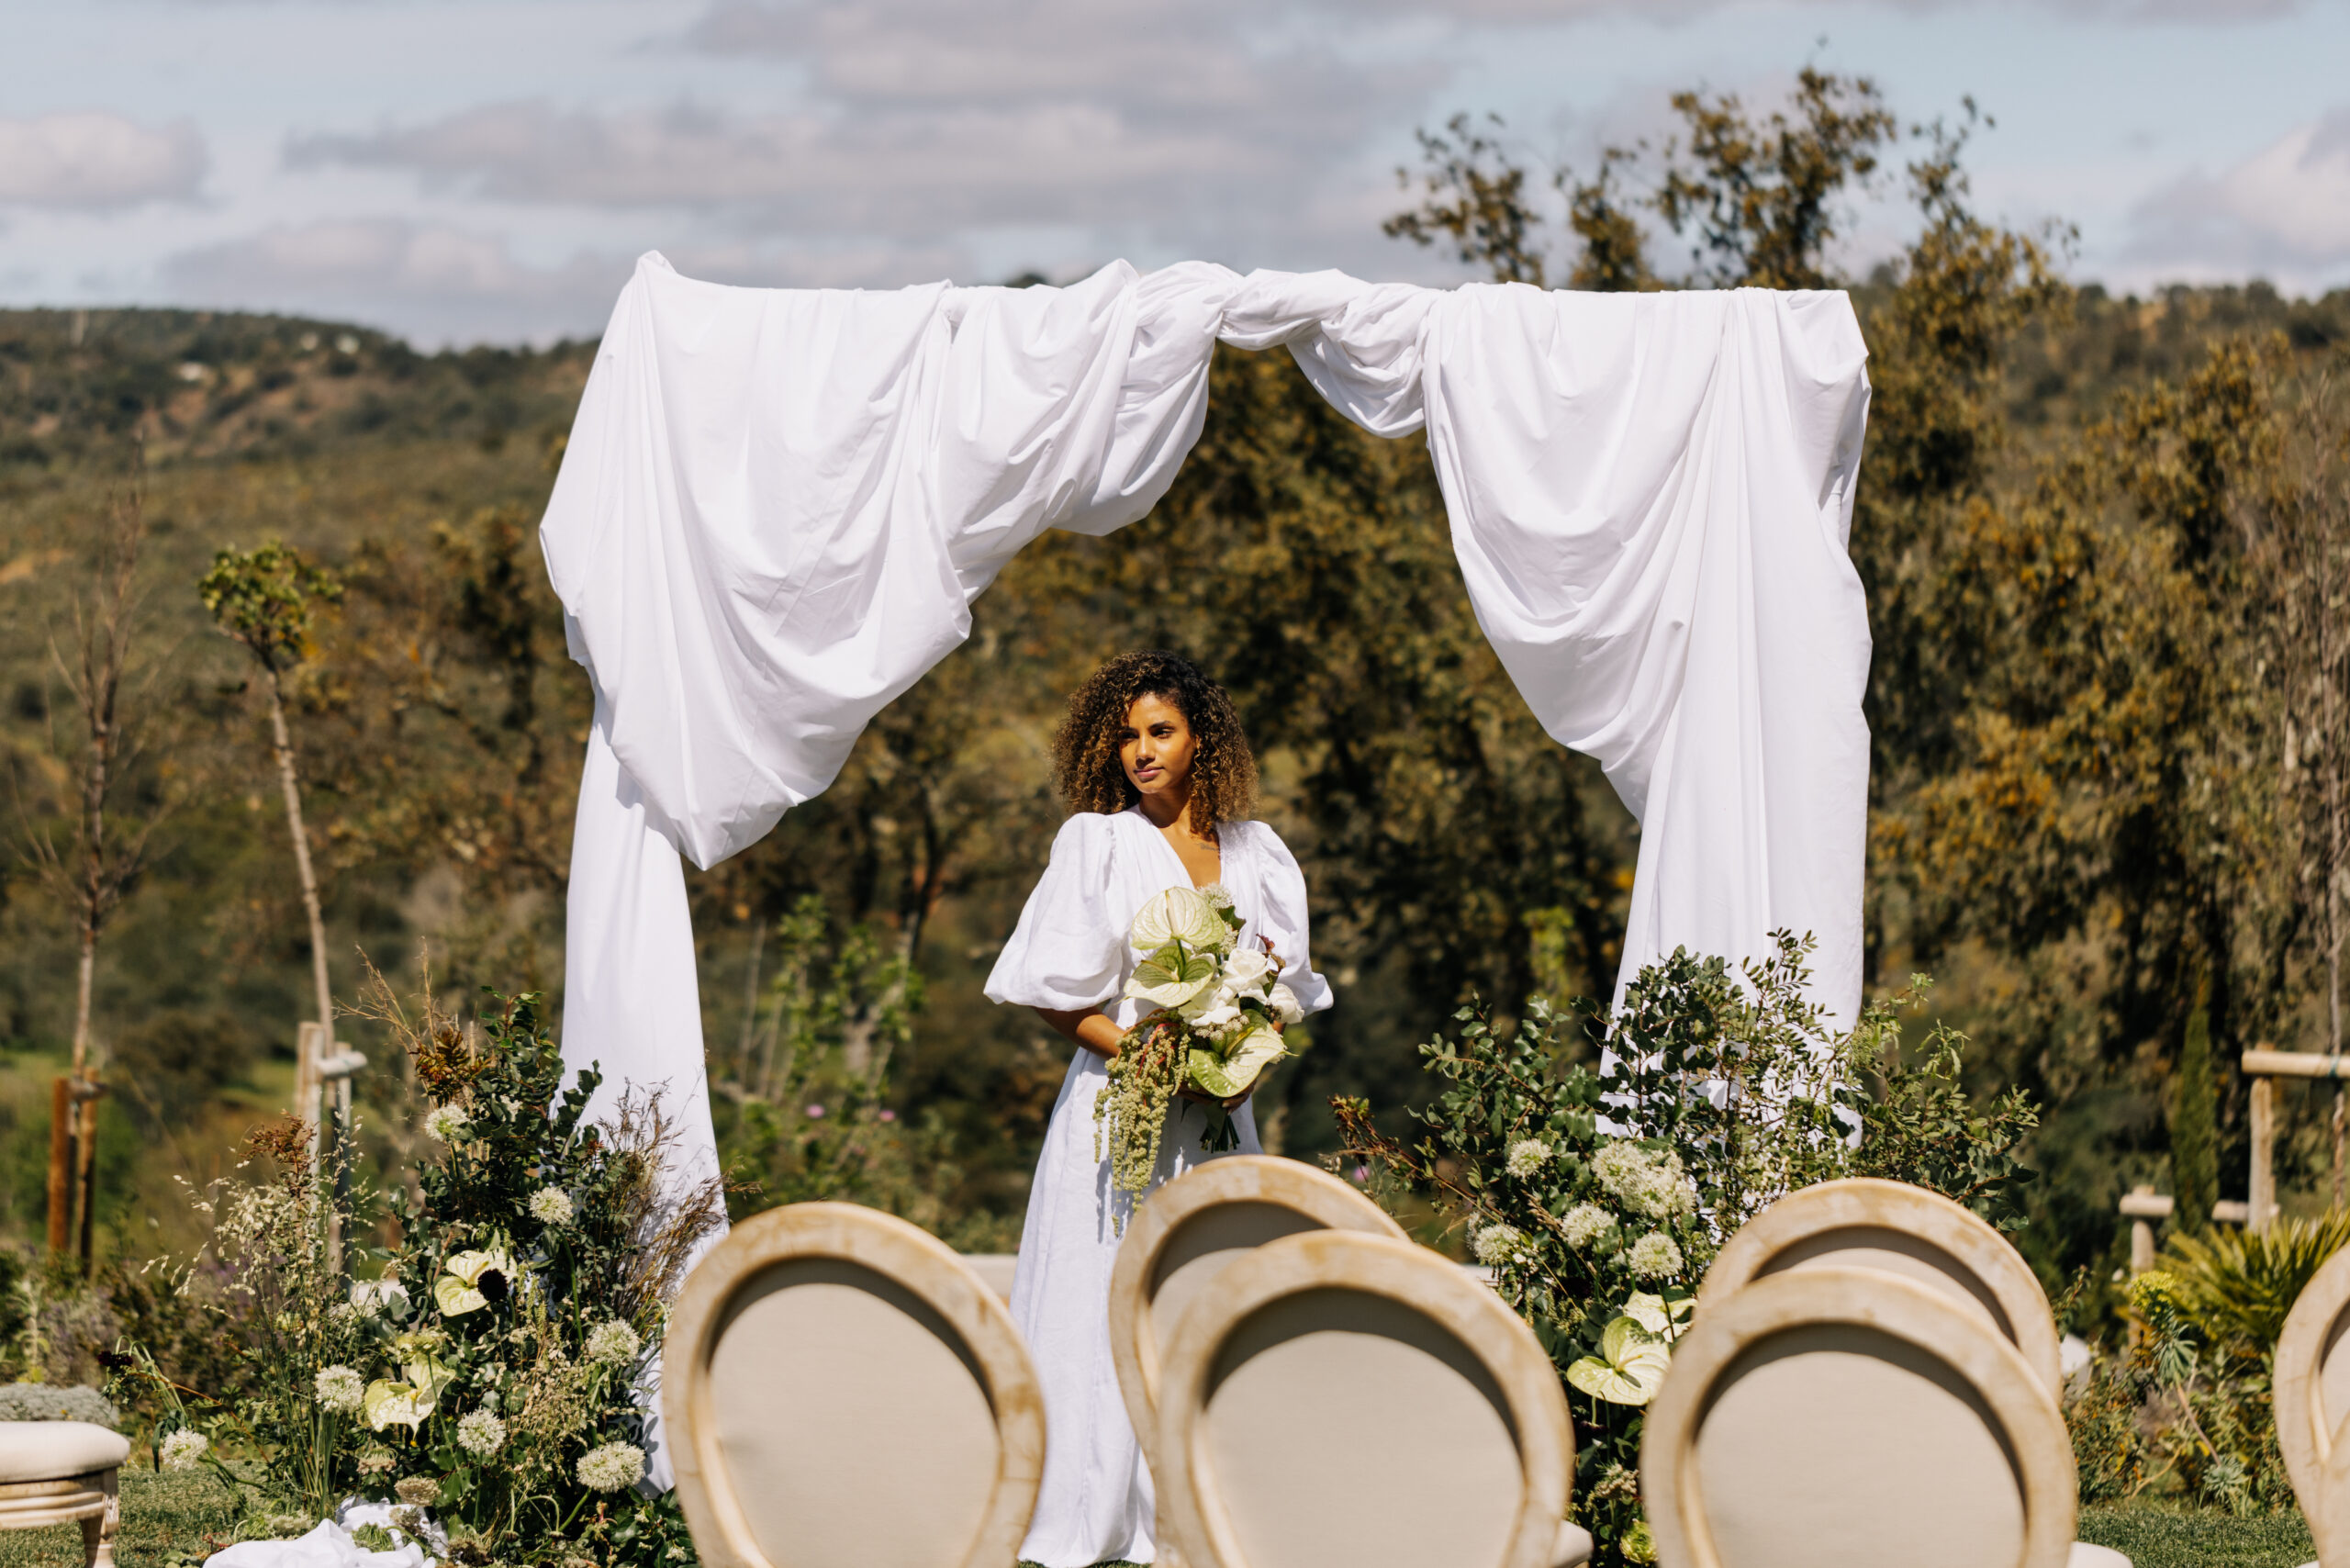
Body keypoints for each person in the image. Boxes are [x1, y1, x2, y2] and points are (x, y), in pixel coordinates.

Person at [986, 649, 1332, 1568]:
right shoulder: (1096, 842)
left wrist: (1240, 1058)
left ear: (1199, 739)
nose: (1142, 749)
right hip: (1120, 1109)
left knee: (1204, 1288)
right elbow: (1056, 993)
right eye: (1129, 734)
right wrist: (1143, 1050)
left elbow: (1278, 987)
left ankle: (1193, 1509)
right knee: (1102, 1291)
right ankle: (1086, 1512)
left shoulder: (1257, 853)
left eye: (1161, 731)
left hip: (1219, 1114)